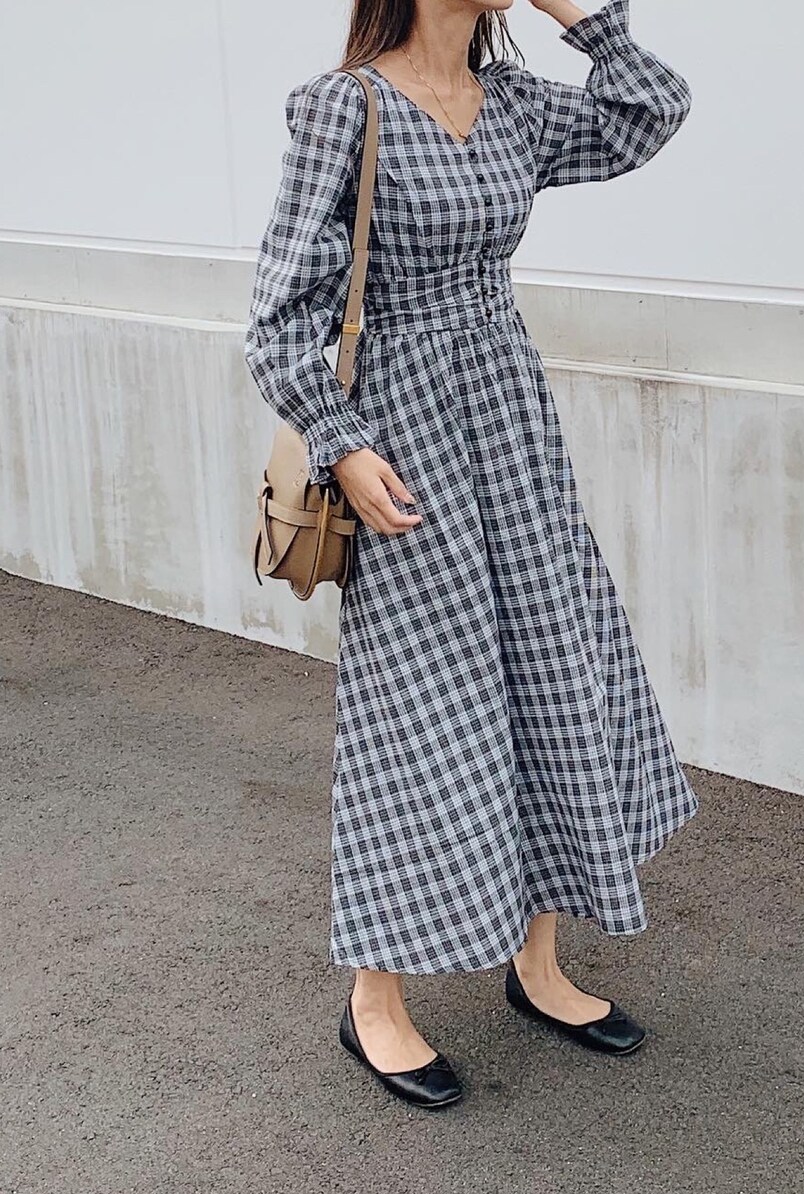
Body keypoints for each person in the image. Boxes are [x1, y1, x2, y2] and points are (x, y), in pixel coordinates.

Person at [245, 0, 698, 1110]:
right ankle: (374, 999)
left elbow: (650, 111)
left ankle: (536, 964)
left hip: (508, 420)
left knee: (546, 669)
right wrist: (343, 446)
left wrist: (583, 19)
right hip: (402, 443)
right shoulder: (343, 109)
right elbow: (278, 317)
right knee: (418, 707)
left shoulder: (515, 104)